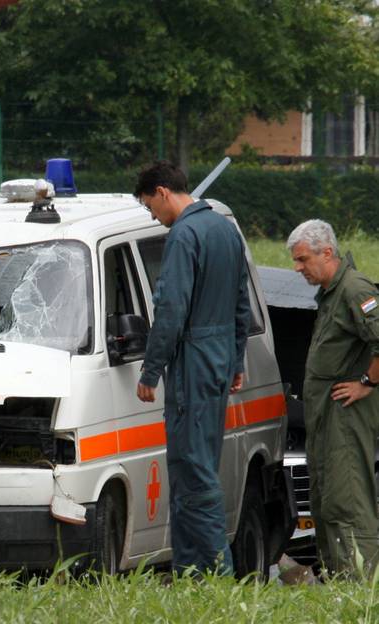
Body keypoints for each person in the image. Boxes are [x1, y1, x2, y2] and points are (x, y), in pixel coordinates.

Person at [134, 161, 250, 575]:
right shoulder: (224, 229)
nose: (153, 216)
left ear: (163, 192)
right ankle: (189, 574)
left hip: (192, 363)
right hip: (217, 360)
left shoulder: (184, 234)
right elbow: (241, 303)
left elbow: (171, 310)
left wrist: (150, 372)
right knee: (190, 473)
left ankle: (218, 574)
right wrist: (236, 360)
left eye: (150, 207)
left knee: (194, 473)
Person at [287, 219, 379, 576]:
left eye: (303, 259)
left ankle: (361, 584)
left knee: (349, 499)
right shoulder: (331, 292)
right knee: (325, 499)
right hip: (326, 416)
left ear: (327, 252)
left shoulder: (355, 289)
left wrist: (366, 383)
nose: (298, 268)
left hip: (346, 414)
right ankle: (337, 579)